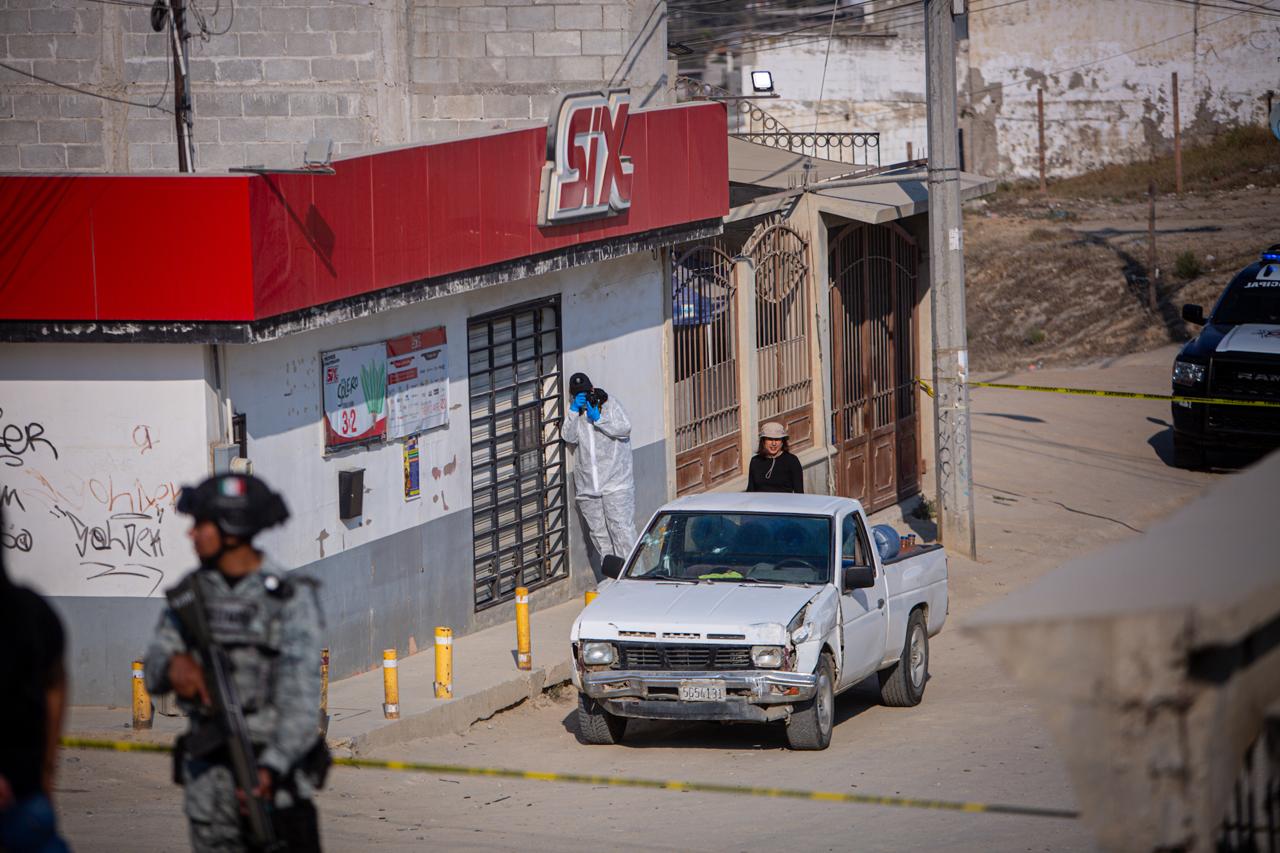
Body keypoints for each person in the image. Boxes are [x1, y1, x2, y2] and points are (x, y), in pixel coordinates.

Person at [144, 474, 326, 853]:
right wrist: (173, 668)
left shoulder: (287, 599)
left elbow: (302, 702)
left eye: (201, 526)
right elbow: (154, 667)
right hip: (210, 796)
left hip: (276, 791)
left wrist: (270, 767)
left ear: (231, 529)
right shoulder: (190, 596)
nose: (191, 535)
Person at [0, 508, 71, 853]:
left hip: (25, 803)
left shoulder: (31, 614)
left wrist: (46, 767)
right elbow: (56, 683)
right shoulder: (33, 611)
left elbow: (55, 682)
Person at [562, 372, 638, 565]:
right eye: (578, 395)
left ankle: (633, 577)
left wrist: (599, 418)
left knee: (622, 532)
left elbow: (624, 429)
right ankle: (613, 579)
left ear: (592, 389)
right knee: (600, 537)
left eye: (586, 393)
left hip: (616, 484)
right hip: (589, 488)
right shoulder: (576, 415)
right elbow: (569, 438)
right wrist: (572, 410)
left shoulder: (609, 404)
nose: (584, 397)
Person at [746, 422, 804, 493]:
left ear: (783, 442)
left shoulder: (792, 461)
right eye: (770, 439)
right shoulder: (755, 461)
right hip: (760, 503)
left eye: (777, 439)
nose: (774, 444)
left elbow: (799, 492)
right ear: (763, 441)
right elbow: (750, 491)